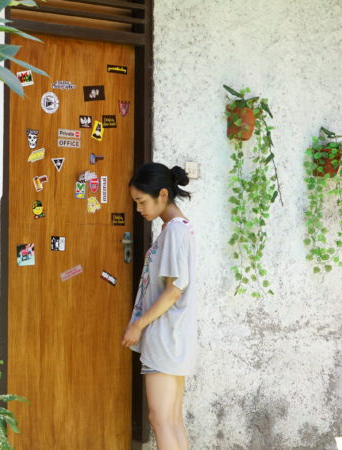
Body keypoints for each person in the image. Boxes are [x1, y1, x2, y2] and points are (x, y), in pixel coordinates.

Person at [121, 163, 197, 450]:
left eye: (142, 201)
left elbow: (174, 291)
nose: (138, 208)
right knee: (171, 421)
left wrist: (138, 325)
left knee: (161, 420)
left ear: (163, 194)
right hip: (174, 335)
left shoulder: (175, 231)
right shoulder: (176, 229)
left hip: (166, 336)